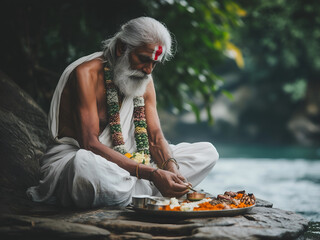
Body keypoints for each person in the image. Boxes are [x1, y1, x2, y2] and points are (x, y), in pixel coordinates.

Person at [27, 17, 218, 208]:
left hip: (133, 163)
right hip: (87, 160)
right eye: (144, 59)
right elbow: (90, 144)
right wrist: (151, 174)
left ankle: (146, 189)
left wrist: (172, 169)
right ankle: (146, 191)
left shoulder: (145, 78)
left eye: (155, 64)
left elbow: (155, 138)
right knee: (84, 166)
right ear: (121, 48)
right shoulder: (86, 74)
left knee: (207, 153)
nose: (148, 70)